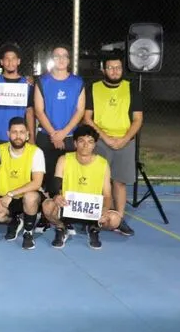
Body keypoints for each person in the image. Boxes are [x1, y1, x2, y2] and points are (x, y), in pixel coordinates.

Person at [83, 51, 142, 236]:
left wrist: (124, 139)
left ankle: (118, 219)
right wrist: (105, 138)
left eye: (117, 67)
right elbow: (87, 118)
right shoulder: (93, 88)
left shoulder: (131, 88)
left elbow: (138, 119)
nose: (114, 71)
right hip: (101, 141)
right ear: (103, 69)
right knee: (98, 181)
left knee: (119, 182)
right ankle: (96, 218)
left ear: (122, 68)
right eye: (110, 67)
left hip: (124, 142)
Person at [42, 125, 122, 249]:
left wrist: (105, 209)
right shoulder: (64, 159)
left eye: (90, 142)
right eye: (81, 141)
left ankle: (93, 228)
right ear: (75, 143)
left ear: (94, 145)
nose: (86, 145)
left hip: (91, 211)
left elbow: (107, 194)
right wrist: (56, 196)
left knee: (115, 219)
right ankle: (61, 227)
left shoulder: (103, 164)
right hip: (68, 207)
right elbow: (55, 185)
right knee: (47, 206)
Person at [34, 45, 86, 196]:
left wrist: (63, 133)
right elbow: (39, 110)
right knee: (47, 177)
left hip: (69, 137)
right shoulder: (42, 81)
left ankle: (66, 213)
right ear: (52, 59)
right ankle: (46, 212)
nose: (61, 59)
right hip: (46, 136)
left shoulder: (77, 82)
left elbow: (80, 110)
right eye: (57, 56)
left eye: (65, 56)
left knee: (69, 176)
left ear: (69, 60)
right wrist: (53, 134)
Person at [0, 117, 45, 250]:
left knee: (31, 197)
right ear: (8, 134)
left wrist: (11, 194)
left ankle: (28, 231)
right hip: (4, 199)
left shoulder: (36, 152)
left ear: (27, 135)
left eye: (21, 132)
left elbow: (37, 183)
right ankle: (14, 221)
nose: (18, 136)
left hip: (24, 197)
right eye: (14, 132)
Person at [0, 43, 35, 143]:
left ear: (18, 61)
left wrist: (32, 136)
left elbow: (29, 111)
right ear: (2, 62)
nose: (10, 62)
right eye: (7, 59)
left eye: (13, 59)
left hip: (18, 135)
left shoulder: (27, 84)